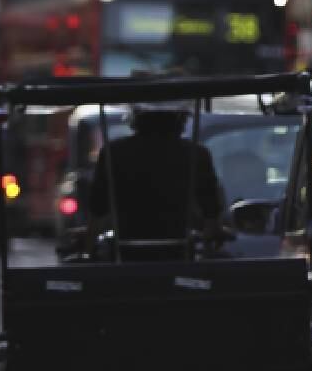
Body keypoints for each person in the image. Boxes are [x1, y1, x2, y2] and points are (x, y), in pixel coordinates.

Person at [87, 100, 223, 256]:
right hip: (178, 255)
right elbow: (211, 212)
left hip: (126, 254)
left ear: (136, 118)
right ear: (181, 119)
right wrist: (213, 233)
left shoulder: (113, 152)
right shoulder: (197, 153)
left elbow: (97, 209)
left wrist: (88, 247)